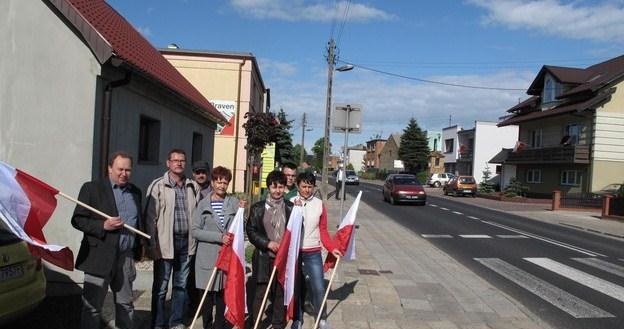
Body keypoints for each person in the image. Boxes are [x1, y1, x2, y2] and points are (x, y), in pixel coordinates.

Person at [71, 151, 143, 329]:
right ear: (109, 168)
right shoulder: (92, 188)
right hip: (99, 256)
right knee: (92, 308)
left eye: (127, 170)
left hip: (125, 258)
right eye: (120, 169)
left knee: (126, 305)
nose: (123, 174)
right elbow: (78, 219)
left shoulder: (135, 192)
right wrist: (103, 226)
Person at [145, 149, 200, 329]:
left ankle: (175, 322)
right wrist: (151, 245)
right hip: (165, 243)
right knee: (161, 288)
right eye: (175, 160)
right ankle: (158, 323)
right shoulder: (158, 186)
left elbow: (198, 215)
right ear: (168, 163)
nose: (179, 163)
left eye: (182, 160)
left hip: (186, 243)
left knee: (181, 286)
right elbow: (150, 217)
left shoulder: (192, 186)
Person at [192, 166, 242, 329]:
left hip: (226, 258)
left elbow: (240, 227)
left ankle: (220, 325)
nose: (221, 186)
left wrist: (242, 211)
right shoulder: (202, 204)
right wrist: (219, 237)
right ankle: (207, 325)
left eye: (225, 182)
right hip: (206, 258)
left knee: (222, 296)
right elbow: (195, 231)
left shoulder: (234, 203)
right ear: (212, 183)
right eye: (218, 182)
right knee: (207, 298)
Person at [290, 172, 342, 329]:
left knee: (319, 287)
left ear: (314, 187)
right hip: (295, 253)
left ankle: (321, 318)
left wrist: (332, 248)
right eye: (303, 186)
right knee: (296, 287)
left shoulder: (319, 204)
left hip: (313, 252)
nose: (306, 190)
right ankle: (297, 319)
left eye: (309, 186)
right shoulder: (290, 202)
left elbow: (324, 230)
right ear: (297, 186)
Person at [246, 171, 294, 329]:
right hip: (263, 256)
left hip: (282, 258)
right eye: (274, 187)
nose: (277, 191)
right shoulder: (258, 208)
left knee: (279, 293)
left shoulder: (291, 207)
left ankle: (278, 324)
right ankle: (257, 323)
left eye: (281, 187)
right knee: (261, 293)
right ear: (268, 187)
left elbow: (296, 229)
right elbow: (251, 231)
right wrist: (268, 243)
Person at [188, 160, 212, 317]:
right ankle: (193, 305)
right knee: (191, 275)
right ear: (193, 174)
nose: (201, 175)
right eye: (197, 172)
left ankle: (206, 305)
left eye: (203, 172)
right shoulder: (187, 188)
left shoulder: (213, 191)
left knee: (207, 274)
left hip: (208, 239)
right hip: (190, 239)